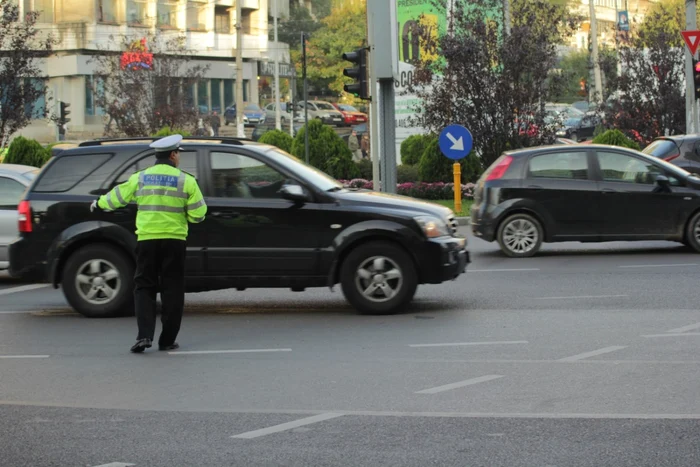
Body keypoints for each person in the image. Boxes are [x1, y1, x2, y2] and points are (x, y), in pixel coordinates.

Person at [89, 135, 207, 353]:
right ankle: (167, 340)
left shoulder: (140, 178)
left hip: (147, 241)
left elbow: (117, 197)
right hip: (174, 241)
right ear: (173, 155)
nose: (178, 157)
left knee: (144, 286)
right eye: (178, 153)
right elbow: (199, 214)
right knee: (172, 289)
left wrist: (98, 203)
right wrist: (186, 216)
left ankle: (144, 336)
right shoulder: (186, 180)